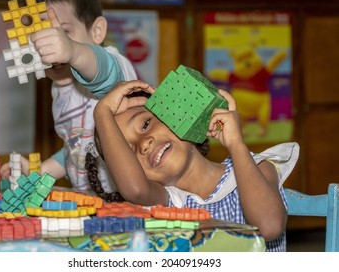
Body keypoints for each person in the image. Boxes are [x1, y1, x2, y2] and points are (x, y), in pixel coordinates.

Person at [85, 79, 299, 252]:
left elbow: (269, 227)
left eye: (146, 124)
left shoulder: (257, 169)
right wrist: (101, 112)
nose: (144, 145)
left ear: (176, 117)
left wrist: (235, 144)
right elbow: (135, 189)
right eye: (129, 153)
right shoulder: (168, 202)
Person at [0, 0, 137, 193]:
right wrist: (39, 171)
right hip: (93, 204)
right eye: (38, 40)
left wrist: (73, 51)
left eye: (63, 33)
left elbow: (104, 71)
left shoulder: (112, 65)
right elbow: (76, 148)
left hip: (129, 202)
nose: (50, 49)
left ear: (97, 31)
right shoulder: (59, 90)